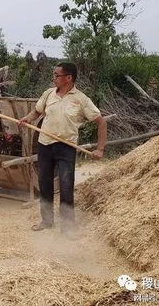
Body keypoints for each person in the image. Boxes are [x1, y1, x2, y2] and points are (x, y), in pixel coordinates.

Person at [19, 62, 106, 234]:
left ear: (68, 78)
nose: (54, 78)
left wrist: (100, 148)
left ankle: (67, 227)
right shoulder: (48, 94)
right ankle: (47, 220)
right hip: (45, 145)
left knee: (66, 185)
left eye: (57, 75)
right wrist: (28, 119)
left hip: (66, 147)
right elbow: (37, 111)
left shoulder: (81, 99)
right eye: (54, 75)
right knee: (44, 183)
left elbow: (100, 122)